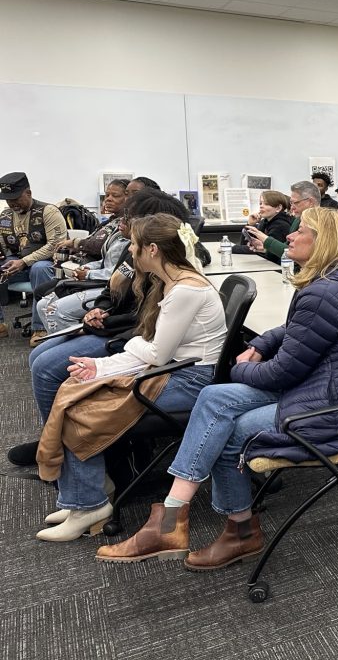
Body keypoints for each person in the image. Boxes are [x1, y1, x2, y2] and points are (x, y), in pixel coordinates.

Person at [94, 208, 338, 568]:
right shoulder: (331, 281)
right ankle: (172, 518)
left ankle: (236, 531)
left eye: (302, 231)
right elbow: (298, 331)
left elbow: (281, 374)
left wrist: (239, 368)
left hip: (333, 410)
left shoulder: (325, 292)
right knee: (212, 397)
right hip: (320, 387)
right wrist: (263, 343)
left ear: (323, 241)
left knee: (229, 431)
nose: (290, 237)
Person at [34, 212, 226, 542]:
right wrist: (101, 368)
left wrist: (113, 359)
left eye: (134, 245)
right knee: (76, 391)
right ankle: (87, 495)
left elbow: (155, 353)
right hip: (176, 372)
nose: (130, 251)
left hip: (188, 381)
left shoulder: (184, 291)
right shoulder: (177, 282)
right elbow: (153, 349)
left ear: (152, 249)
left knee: (80, 408)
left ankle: (89, 504)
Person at [8, 191, 197, 468]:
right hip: (115, 327)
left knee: (46, 366)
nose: (121, 221)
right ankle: (54, 438)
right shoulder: (133, 250)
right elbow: (113, 289)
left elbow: (143, 319)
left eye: (128, 217)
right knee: (38, 356)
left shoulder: (164, 267)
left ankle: (61, 449)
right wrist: (100, 308)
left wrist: (105, 323)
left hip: (128, 336)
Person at [34, 189, 131, 336]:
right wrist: (87, 267)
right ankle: (54, 340)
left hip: (103, 284)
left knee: (52, 308)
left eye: (115, 195)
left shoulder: (130, 241)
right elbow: (104, 260)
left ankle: (70, 346)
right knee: (42, 304)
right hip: (97, 278)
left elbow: (102, 255)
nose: (108, 199)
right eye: (107, 195)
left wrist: (87, 271)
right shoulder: (114, 227)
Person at [0, 172, 69, 340]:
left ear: (29, 193)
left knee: (39, 268)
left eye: (16, 198)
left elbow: (55, 245)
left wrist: (24, 262)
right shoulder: (5, 216)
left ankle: (40, 328)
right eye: (8, 199)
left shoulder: (49, 211)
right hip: (17, 262)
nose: (12, 203)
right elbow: (3, 245)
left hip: (49, 264)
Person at [244, 181, 317, 261]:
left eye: (295, 203)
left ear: (310, 202)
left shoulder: (318, 222)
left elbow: (305, 255)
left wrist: (266, 240)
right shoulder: (297, 220)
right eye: (291, 203)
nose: (292, 208)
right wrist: (265, 248)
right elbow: (287, 249)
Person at [234, 190, 292, 264]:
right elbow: (246, 245)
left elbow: (270, 253)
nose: (261, 206)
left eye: (266, 204)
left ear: (278, 208)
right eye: (260, 203)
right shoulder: (264, 222)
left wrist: (230, 248)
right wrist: (250, 224)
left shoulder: (281, 225)